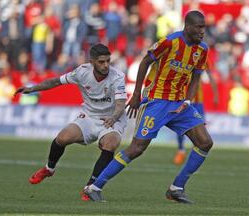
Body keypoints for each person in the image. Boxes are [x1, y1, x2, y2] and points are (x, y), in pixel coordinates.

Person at [84, 10, 213, 203]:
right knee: (137, 148)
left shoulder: (202, 49)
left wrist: (187, 101)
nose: (203, 31)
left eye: (204, 27)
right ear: (188, 26)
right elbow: (145, 61)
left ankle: (176, 188)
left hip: (179, 104)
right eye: (199, 27)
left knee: (205, 142)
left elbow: (196, 76)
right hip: (156, 101)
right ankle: (94, 187)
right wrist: (136, 94)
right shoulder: (169, 42)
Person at [14, 44, 128, 200]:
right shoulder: (82, 72)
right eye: (101, 62)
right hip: (89, 116)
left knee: (111, 144)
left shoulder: (117, 76)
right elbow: (55, 82)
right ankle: (49, 168)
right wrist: (33, 89)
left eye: (108, 61)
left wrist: (114, 118)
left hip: (112, 118)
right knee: (62, 138)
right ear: (92, 61)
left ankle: (91, 188)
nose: (106, 65)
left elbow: (121, 103)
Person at [173, 66, 218, 165]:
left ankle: (195, 156)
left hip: (198, 102)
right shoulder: (183, 54)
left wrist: (215, 94)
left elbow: (210, 75)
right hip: (183, 98)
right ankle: (181, 150)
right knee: (180, 126)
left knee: (201, 128)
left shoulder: (203, 55)